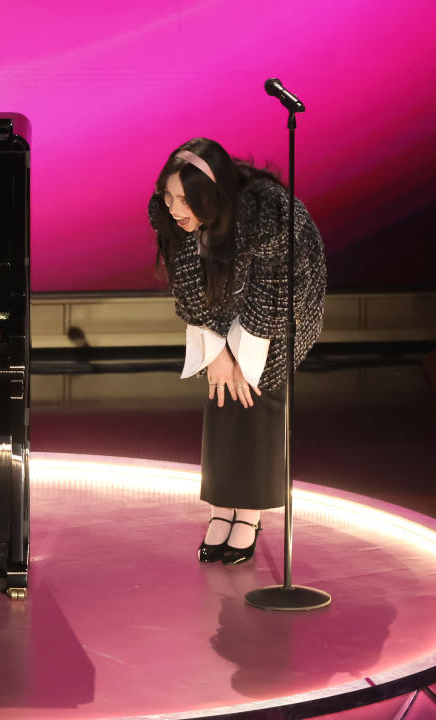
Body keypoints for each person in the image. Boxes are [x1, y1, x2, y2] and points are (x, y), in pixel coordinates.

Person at [148, 138, 326, 565]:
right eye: (168, 196)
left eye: (184, 199)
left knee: (256, 389)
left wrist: (243, 360)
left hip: (284, 306)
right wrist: (218, 352)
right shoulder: (174, 218)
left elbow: (274, 295)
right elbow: (188, 286)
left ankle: (248, 512)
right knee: (221, 389)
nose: (174, 208)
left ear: (211, 196)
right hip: (222, 299)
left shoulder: (269, 217)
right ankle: (221, 507)